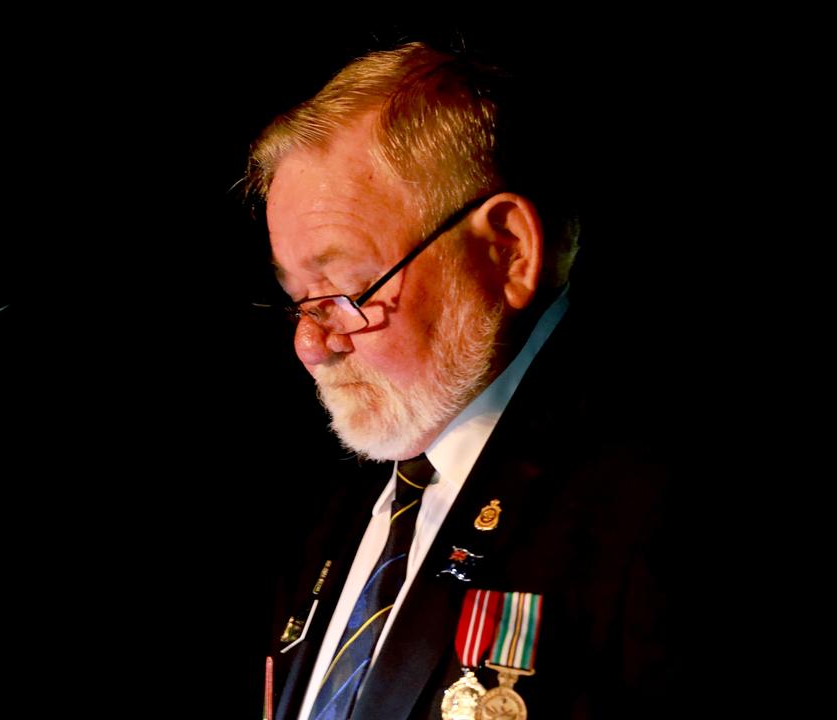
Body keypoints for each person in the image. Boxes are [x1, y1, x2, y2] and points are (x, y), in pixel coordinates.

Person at [247, 42, 677, 719]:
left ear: (507, 250)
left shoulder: (651, 508)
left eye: (348, 291)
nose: (308, 344)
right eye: (299, 298)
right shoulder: (344, 495)